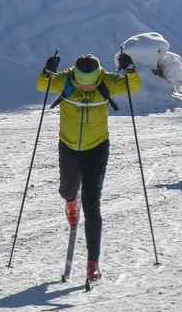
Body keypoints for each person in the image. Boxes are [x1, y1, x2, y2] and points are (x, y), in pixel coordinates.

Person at [36, 51, 141, 283]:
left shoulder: (108, 82)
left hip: (97, 148)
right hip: (69, 146)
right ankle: (71, 201)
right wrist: (47, 70)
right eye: (81, 84)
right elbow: (41, 85)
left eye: (90, 83)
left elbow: (133, 86)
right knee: (66, 190)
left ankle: (93, 264)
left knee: (93, 203)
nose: (86, 88)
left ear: (97, 76)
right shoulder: (65, 78)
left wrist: (130, 68)